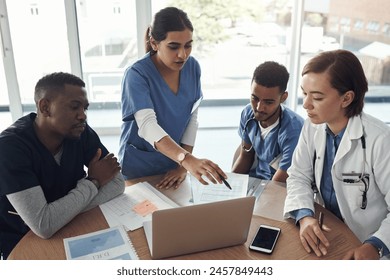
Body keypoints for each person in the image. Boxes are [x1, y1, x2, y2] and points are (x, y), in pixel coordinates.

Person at [0, 72, 125, 259]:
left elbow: (117, 184)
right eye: (75, 107)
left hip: (72, 227)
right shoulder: (10, 148)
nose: (83, 116)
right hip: (23, 239)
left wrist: (61, 214)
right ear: (45, 107)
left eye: (85, 108)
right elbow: (43, 226)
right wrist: (93, 182)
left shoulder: (80, 132)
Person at [283, 49, 390, 260]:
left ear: (346, 98)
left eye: (317, 97)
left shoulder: (381, 140)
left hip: (367, 246)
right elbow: (298, 176)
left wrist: (376, 245)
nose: (305, 104)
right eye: (304, 93)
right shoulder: (311, 127)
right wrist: (304, 216)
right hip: (329, 234)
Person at [118, 7, 226, 189]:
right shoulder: (136, 74)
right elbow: (147, 126)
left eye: (188, 45)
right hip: (139, 166)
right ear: (154, 43)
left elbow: (192, 119)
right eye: (173, 46)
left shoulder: (193, 67)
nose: (182, 54)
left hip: (174, 163)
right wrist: (186, 159)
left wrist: (182, 166)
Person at [232, 61, 304, 183]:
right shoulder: (248, 113)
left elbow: (279, 182)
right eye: (255, 98)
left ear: (283, 98)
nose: (259, 108)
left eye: (268, 102)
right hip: (254, 182)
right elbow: (245, 157)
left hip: (279, 188)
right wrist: (229, 186)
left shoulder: (294, 131)